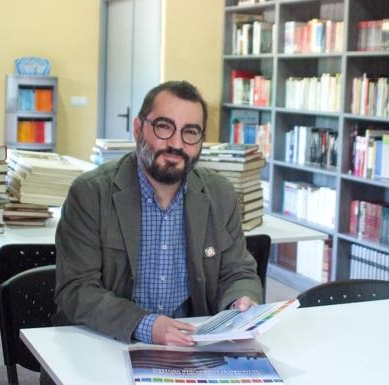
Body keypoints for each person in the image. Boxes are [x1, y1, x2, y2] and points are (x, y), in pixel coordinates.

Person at [53, 80, 262, 346]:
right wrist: (145, 324)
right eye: (164, 127)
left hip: (191, 344)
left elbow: (239, 273)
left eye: (190, 132)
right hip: (108, 341)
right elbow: (76, 289)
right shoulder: (90, 193)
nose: (176, 143)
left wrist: (241, 301)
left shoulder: (219, 194)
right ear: (138, 129)